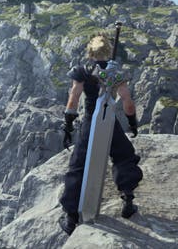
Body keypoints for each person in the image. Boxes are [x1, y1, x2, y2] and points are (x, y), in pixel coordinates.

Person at [58, 34, 143, 235]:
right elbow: (127, 101)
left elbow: (74, 98)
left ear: (90, 52)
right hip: (110, 121)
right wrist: (132, 122)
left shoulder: (82, 72)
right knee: (125, 157)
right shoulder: (116, 74)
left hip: (91, 120)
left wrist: (68, 124)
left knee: (78, 165)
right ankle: (128, 200)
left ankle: (71, 217)